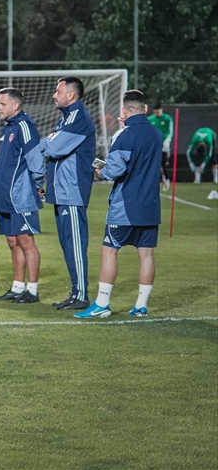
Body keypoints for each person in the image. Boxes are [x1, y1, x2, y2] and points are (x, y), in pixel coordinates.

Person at [76, 90, 163, 319]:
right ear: (144, 109)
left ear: (124, 111)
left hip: (126, 206)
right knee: (146, 255)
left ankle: (102, 303)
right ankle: (141, 306)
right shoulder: (156, 134)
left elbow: (114, 171)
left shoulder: (125, 135)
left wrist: (101, 169)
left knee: (109, 251)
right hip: (150, 206)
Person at [40, 76, 97, 311]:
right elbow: (52, 146)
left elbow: (52, 148)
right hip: (62, 191)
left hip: (72, 191)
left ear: (71, 95)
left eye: (58, 90)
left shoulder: (77, 117)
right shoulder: (66, 118)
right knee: (67, 244)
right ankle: (76, 292)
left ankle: (82, 295)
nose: (55, 95)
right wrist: (49, 142)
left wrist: (48, 143)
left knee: (75, 244)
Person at [0, 87, 43, 303]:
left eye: (2, 104)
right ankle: (17, 286)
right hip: (5, 195)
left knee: (25, 241)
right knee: (12, 241)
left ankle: (32, 290)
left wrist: (38, 184)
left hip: (21, 195)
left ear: (15, 105)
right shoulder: (8, 127)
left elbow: (35, 159)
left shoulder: (24, 126)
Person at [147, 104, 174, 188]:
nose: (158, 112)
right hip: (153, 144)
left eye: (159, 110)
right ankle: (154, 182)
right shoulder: (150, 119)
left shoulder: (167, 118)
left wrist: (168, 139)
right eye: (156, 110)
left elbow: (170, 131)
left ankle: (167, 180)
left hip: (164, 143)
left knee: (163, 163)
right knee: (153, 164)